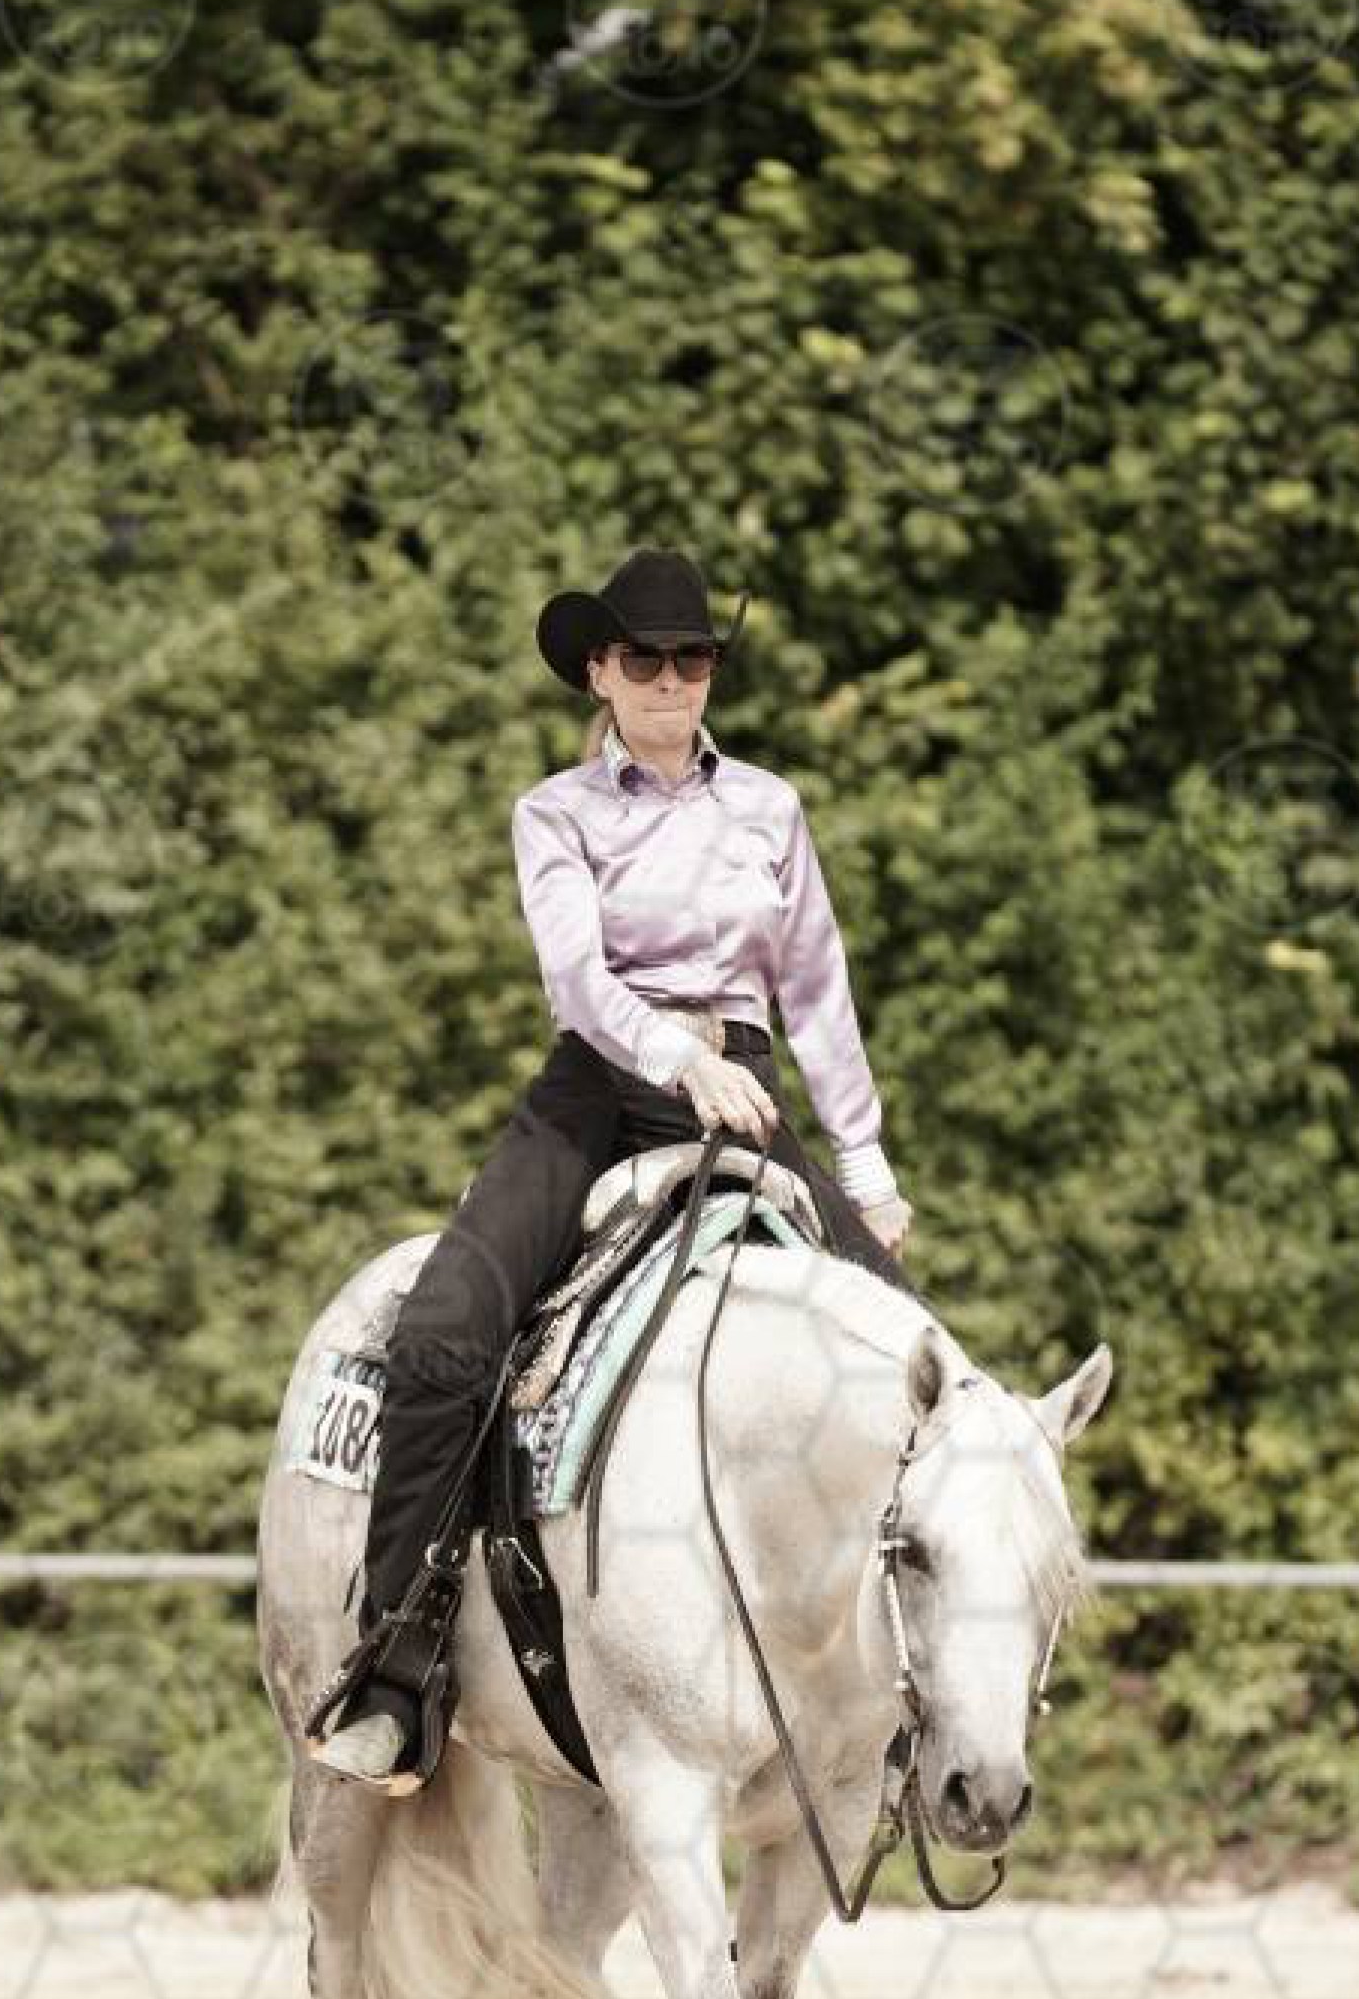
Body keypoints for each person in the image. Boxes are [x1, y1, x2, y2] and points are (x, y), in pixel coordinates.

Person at [308, 545, 925, 1793]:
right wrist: (674, 1060)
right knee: (444, 1332)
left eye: (692, 659)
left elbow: (815, 991)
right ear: (599, 670)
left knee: (920, 1368)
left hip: (743, 1085)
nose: (670, 680)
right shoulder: (555, 814)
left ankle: (909, 1695)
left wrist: (863, 1171)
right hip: (600, 1087)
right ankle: (399, 1658)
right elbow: (577, 980)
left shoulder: (770, 810)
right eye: (644, 659)